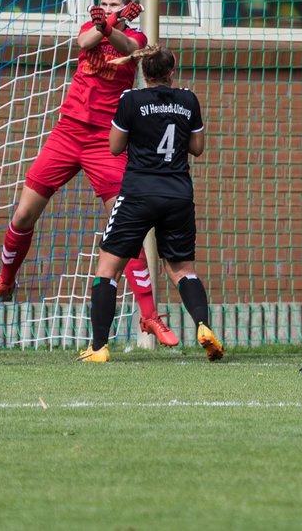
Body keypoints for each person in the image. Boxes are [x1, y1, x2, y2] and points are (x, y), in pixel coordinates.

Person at [0, 0, 179, 346]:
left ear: (131, 7)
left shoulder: (139, 37)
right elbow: (84, 43)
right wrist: (108, 21)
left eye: (116, 4)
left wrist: (111, 23)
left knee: (125, 227)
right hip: (68, 134)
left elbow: (127, 47)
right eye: (103, 3)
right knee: (23, 215)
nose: (106, 8)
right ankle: (5, 280)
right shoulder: (91, 27)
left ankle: (149, 316)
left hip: (105, 141)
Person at [78, 45, 222, 363]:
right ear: (171, 72)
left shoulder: (131, 100)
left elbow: (115, 147)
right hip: (178, 194)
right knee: (184, 270)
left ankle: (98, 347)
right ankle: (203, 326)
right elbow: (197, 148)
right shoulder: (188, 99)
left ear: (144, 72)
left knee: (108, 269)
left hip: (137, 194)